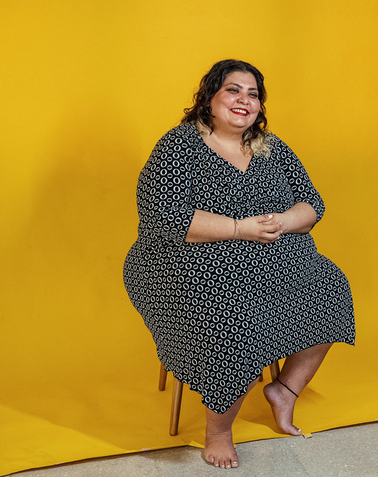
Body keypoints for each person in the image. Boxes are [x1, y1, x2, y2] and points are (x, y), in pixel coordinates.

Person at [123, 59, 355, 469]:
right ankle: (219, 431)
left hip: (271, 257)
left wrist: (282, 221)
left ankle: (285, 390)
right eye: (233, 90)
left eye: (253, 94)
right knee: (236, 315)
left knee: (330, 284)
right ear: (209, 97)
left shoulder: (271, 146)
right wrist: (238, 227)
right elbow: (167, 216)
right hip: (184, 261)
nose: (243, 100)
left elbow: (312, 205)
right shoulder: (179, 146)